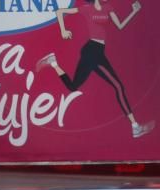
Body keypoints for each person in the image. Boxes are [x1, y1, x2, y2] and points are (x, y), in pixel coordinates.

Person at [36, 0, 153, 139]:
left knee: (73, 86)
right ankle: (135, 127)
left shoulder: (108, 7)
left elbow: (120, 26)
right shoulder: (87, 9)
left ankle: (53, 63)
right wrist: (63, 30)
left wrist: (134, 12)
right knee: (118, 86)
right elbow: (59, 12)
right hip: (92, 51)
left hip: (96, 52)